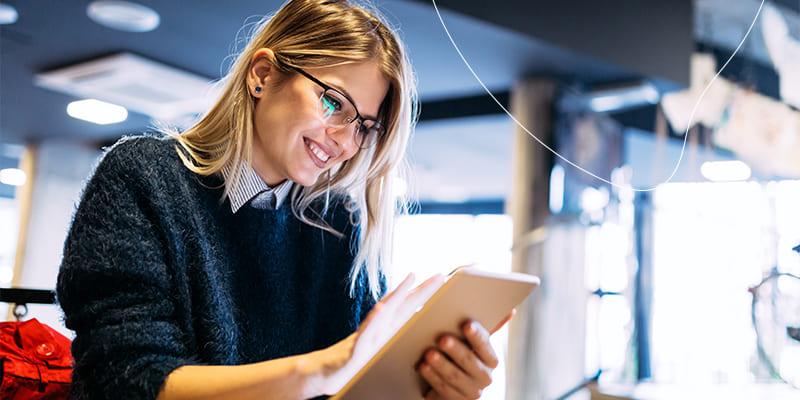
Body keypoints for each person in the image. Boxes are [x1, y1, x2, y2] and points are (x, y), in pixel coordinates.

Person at [56, 0, 507, 399]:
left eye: (365, 127)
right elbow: (124, 379)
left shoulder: (338, 224)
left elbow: (357, 383)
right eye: (334, 104)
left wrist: (431, 388)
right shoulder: (143, 178)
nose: (346, 142)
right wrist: (323, 369)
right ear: (263, 75)